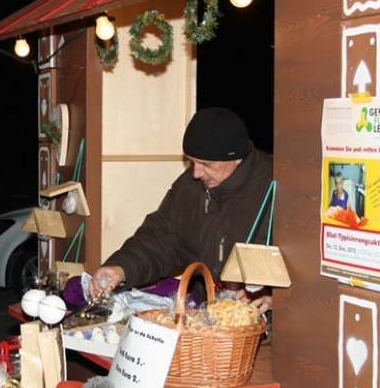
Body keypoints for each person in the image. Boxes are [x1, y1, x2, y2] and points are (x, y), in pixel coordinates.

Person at [89, 107, 273, 313]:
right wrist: (121, 268)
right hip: (208, 318)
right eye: (192, 161)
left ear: (236, 157)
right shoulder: (189, 187)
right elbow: (160, 239)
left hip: (267, 325)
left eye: (206, 164)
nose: (196, 173)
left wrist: (274, 294)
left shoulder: (278, 188)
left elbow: (302, 266)